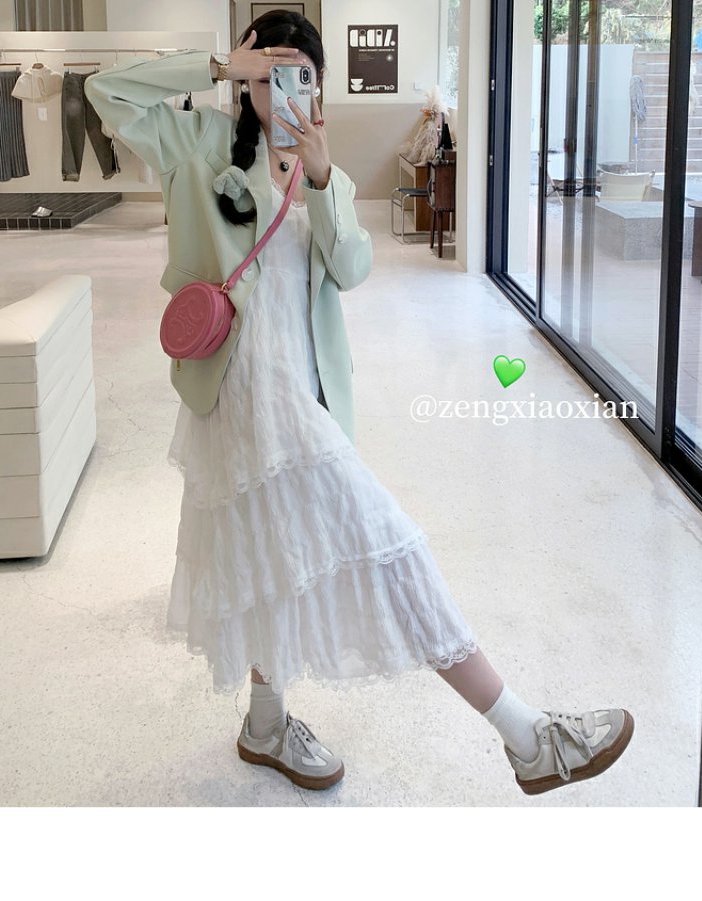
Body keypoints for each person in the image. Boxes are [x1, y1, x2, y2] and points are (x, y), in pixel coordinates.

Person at [84, 10, 634, 797]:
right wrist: (218, 66)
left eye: (302, 73)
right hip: (240, 401)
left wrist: (320, 180)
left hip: (302, 404)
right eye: (271, 70)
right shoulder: (196, 144)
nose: (287, 86)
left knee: (272, 559)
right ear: (247, 78)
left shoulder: (326, 174)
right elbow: (106, 92)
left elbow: (351, 269)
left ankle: (265, 724)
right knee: (391, 545)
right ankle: (528, 734)